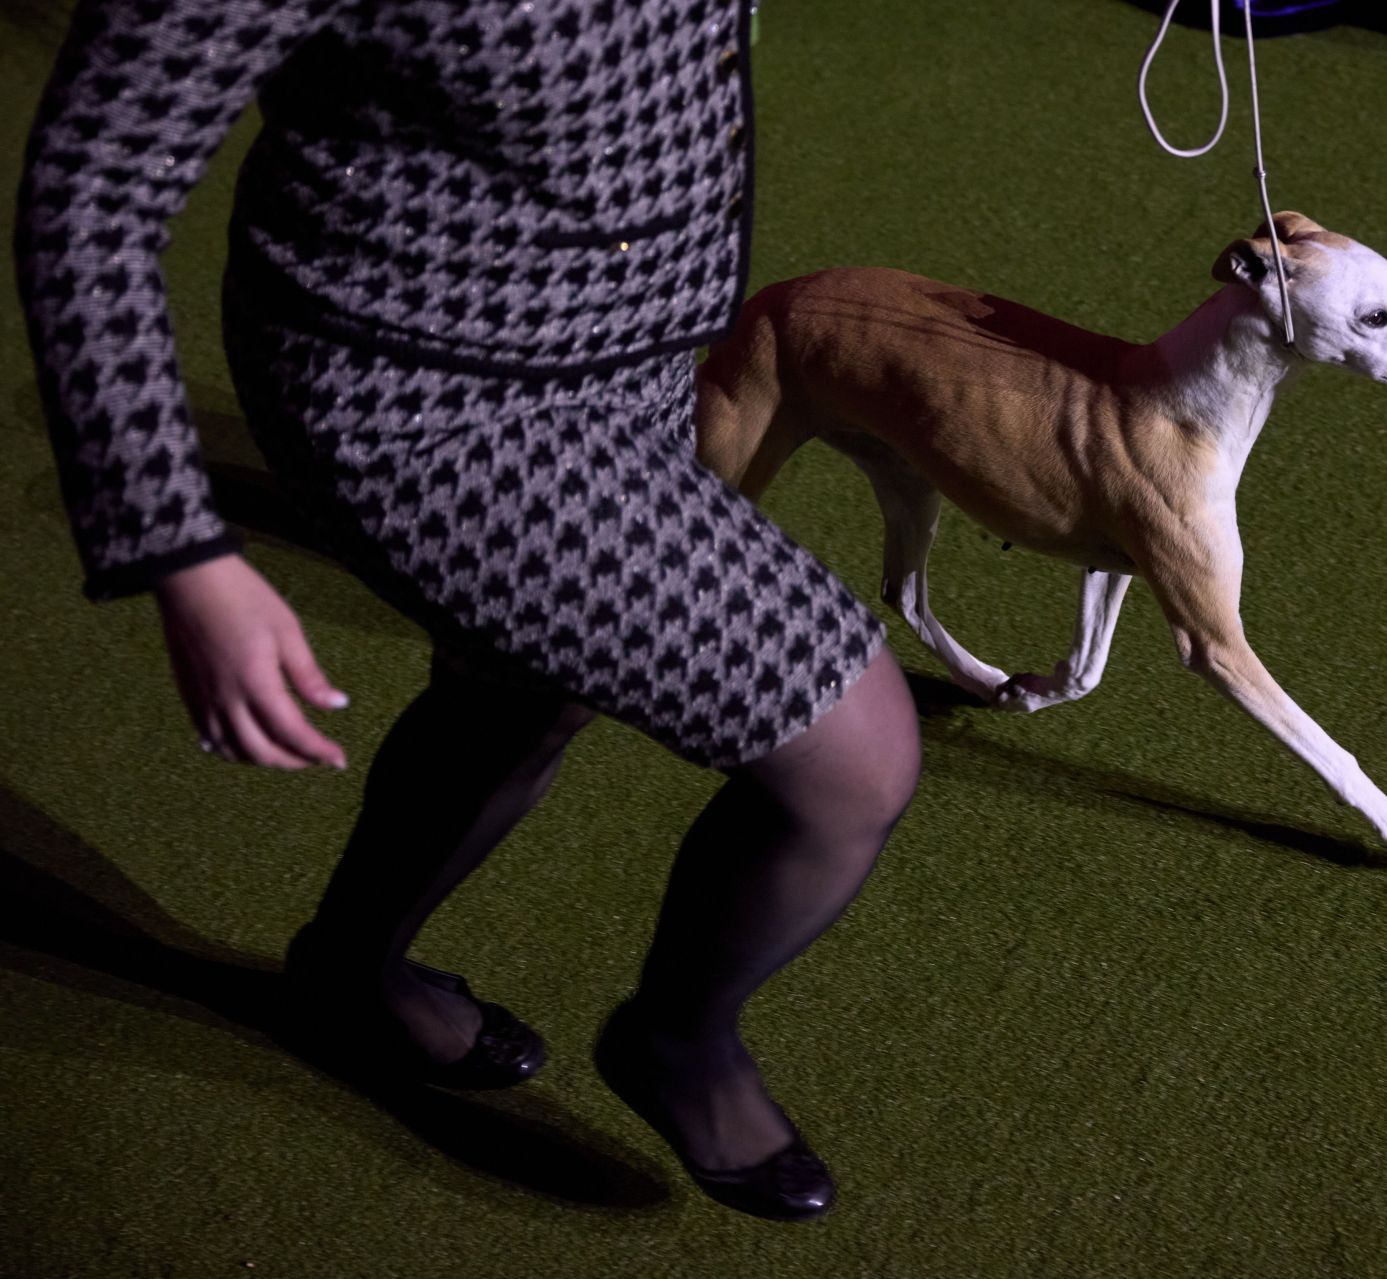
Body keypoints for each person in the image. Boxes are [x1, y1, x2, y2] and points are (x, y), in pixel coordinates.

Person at [15, 0, 920, 1223]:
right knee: (852, 754)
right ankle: (679, 1039)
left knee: (522, 685)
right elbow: (91, 196)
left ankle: (344, 970)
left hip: (630, 351)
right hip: (424, 405)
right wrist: (181, 549)